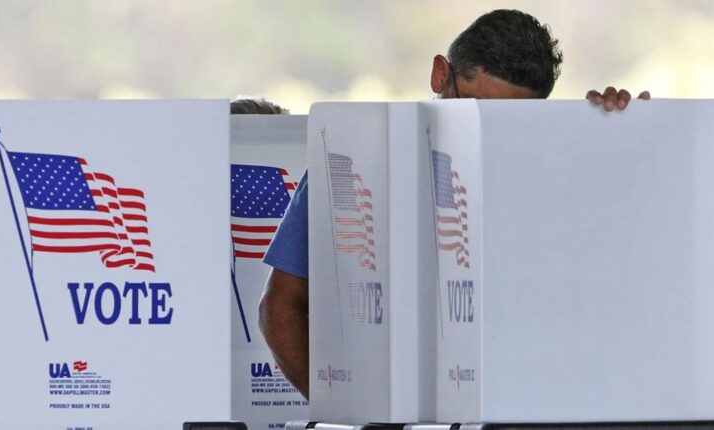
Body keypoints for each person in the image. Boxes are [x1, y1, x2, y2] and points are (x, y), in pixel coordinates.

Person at [258, 9, 649, 400]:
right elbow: (280, 307)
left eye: (511, 118)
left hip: (532, 405)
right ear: (440, 75)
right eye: (475, 110)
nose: (486, 132)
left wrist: (626, 133)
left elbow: (625, 281)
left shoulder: (557, 166)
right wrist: (344, 410)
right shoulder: (358, 156)